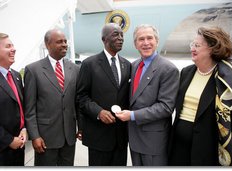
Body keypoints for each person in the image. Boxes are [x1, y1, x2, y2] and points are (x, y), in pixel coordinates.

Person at [115, 24, 179, 166]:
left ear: (156, 41)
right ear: (135, 44)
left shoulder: (168, 69)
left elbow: (165, 107)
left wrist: (132, 115)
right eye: (141, 39)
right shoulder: (134, 65)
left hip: (153, 141)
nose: (146, 43)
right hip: (134, 138)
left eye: (149, 38)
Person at [168, 27, 232, 166]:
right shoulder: (186, 72)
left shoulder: (224, 78)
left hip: (205, 149)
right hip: (178, 146)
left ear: (212, 49)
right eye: (192, 44)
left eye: (197, 45)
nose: (192, 49)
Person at [24, 29, 81, 166]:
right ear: (47, 44)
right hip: (45, 138)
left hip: (69, 137)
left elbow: (78, 102)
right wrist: (35, 136)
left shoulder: (75, 69)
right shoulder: (33, 70)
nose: (64, 45)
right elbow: (29, 108)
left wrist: (81, 127)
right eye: (59, 42)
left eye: (65, 41)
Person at [77, 23, 131, 166]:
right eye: (115, 34)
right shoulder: (89, 64)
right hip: (99, 137)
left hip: (120, 138)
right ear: (104, 39)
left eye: (122, 35)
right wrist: (99, 112)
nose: (120, 38)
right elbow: (81, 97)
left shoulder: (127, 65)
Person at [0, 33, 27, 166]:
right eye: (8, 46)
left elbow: (20, 107)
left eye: (13, 45)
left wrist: (24, 128)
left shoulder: (15, 75)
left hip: (19, 145)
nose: (13, 49)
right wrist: (8, 140)